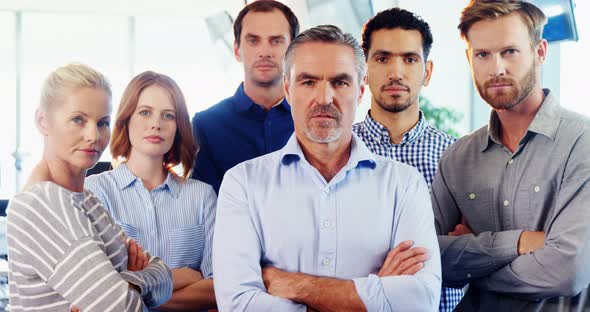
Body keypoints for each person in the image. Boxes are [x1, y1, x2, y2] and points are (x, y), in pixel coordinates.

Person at [213, 25, 441, 312]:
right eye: (308, 82)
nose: (323, 98)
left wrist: (296, 285)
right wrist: (375, 295)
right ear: (287, 88)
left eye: (340, 82)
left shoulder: (404, 184)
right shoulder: (243, 184)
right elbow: (238, 304)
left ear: (360, 90)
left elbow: (420, 301)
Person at [431, 0, 590, 310]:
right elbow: (429, 259)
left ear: (540, 52)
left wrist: (474, 262)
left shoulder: (582, 142)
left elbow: (568, 271)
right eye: (483, 55)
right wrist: (517, 243)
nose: (497, 68)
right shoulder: (457, 158)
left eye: (510, 52)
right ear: (469, 59)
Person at [6, 63, 172, 311]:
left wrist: (131, 284)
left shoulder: (86, 199)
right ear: (43, 121)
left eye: (103, 123)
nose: (93, 135)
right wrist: (129, 289)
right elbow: (123, 308)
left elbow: (164, 278)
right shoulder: (43, 205)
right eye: (77, 120)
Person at [353, 8, 460, 311]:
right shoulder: (337, 152)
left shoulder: (457, 157)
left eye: (410, 59)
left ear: (427, 72)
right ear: (364, 69)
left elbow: (469, 253)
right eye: (383, 58)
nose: (396, 72)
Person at [85, 71, 217, 311]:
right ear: (126, 119)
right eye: (145, 112)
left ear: (178, 126)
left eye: (168, 115)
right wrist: (186, 276)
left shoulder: (202, 196)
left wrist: (135, 289)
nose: (156, 123)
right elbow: (100, 291)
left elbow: (217, 289)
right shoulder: (95, 191)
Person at [192, 0, 300, 193]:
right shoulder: (207, 125)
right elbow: (204, 209)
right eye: (253, 40)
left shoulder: (313, 119)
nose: (265, 52)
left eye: (276, 41)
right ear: (236, 50)